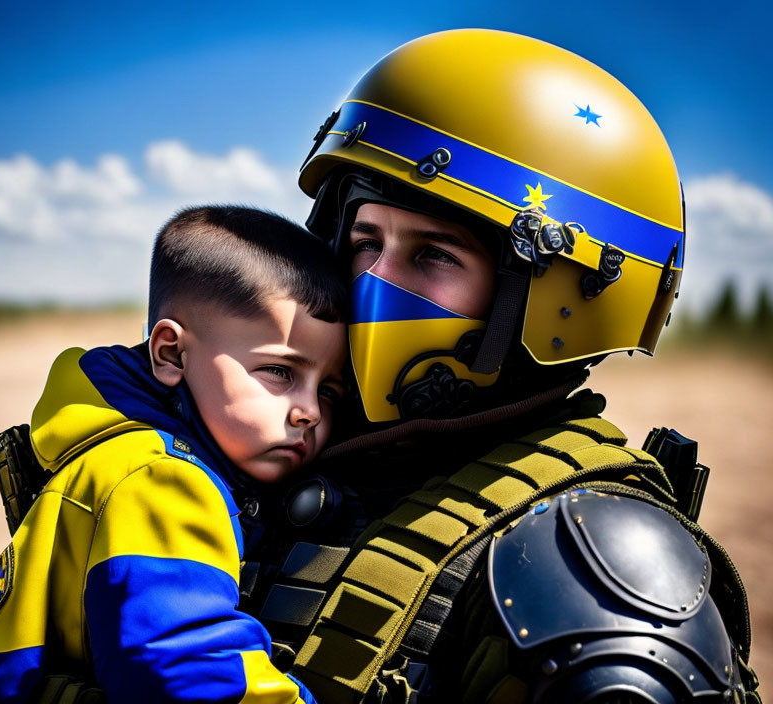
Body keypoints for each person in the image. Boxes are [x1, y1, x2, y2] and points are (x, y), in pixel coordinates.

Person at [235, 29, 762, 704]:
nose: (374, 281)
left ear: (553, 301)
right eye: (365, 240)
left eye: (434, 256)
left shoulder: (596, 567)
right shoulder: (287, 437)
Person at [0, 206, 349, 704]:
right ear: (171, 354)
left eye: (329, 391)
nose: (308, 411)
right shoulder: (162, 480)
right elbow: (184, 670)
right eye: (280, 373)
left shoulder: (119, 450)